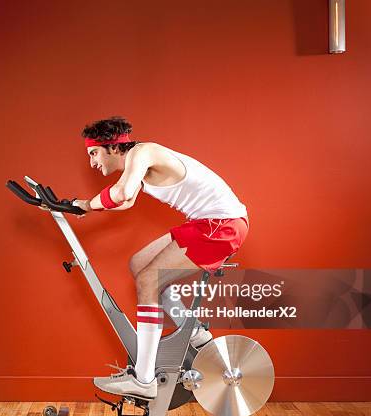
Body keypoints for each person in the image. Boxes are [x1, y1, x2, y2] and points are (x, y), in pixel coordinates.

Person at [73, 117, 248, 400]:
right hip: (208, 223)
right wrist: (82, 206)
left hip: (220, 225)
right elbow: (127, 201)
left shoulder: (144, 152)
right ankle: (193, 332)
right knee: (138, 264)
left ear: (112, 147)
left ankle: (143, 380)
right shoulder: (138, 164)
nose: (93, 163)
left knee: (147, 280)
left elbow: (122, 193)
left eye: (94, 153)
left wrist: (87, 204)